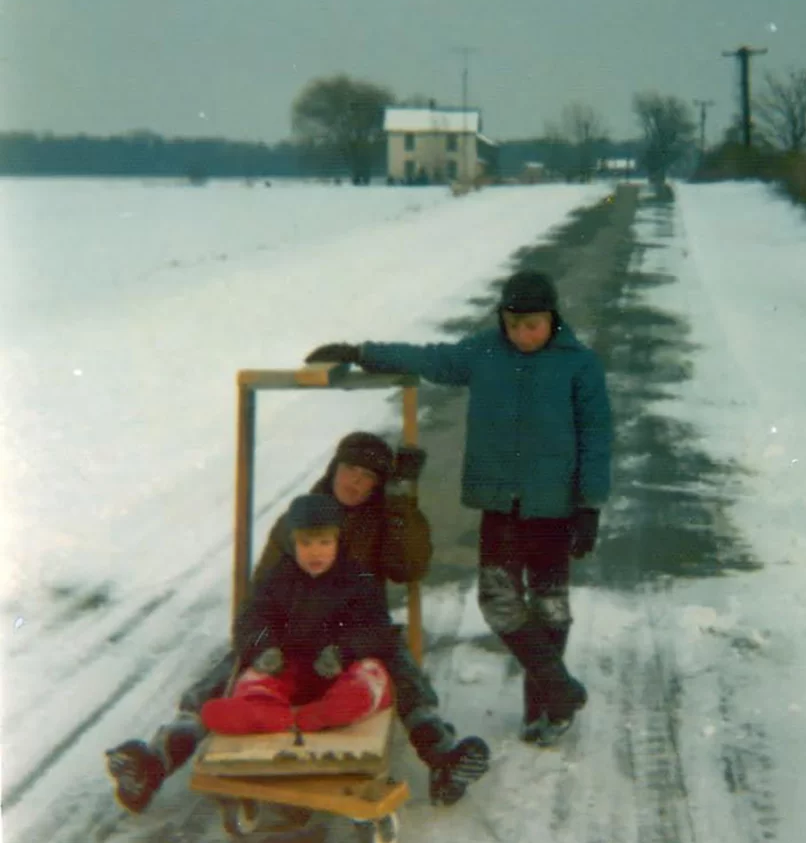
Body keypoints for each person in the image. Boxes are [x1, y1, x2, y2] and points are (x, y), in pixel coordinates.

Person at [305, 270, 613, 745]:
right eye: (514, 325)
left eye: (533, 325)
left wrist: (590, 506)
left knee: (550, 608)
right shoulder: (484, 352)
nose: (523, 335)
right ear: (502, 320)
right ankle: (559, 687)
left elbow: (597, 438)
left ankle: (545, 711)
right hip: (500, 505)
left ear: (553, 318)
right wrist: (360, 353)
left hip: (556, 507)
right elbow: (429, 358)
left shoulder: (580, 365)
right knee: (498, 602)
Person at [106, 431, 489, 812]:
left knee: (396, 662)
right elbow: (259, 600)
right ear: (334, 468)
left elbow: (408, 568)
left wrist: (402, 499)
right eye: (349, 469)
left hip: (351, 631)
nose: (355, 481)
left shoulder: (383, 518)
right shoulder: (300, 517)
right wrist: (261, 644)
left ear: (378, 484)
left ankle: (442, 755)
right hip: (290, 631)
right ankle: (156, 760)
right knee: (230, 669)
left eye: (367, 476)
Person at [200, 494, 396, 735]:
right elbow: (252, 619)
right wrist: (264, 648)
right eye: (306, 543)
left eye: (324, 543)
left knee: (371, 672)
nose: (316, 553)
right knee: (255, 676)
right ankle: (260, 711)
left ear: (338, 542)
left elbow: (375, 627)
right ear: (292, 545)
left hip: (341, 669)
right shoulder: (277, 578)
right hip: (291, 667)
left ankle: (338, 708)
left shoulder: (358, 579)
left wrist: (344, 652)